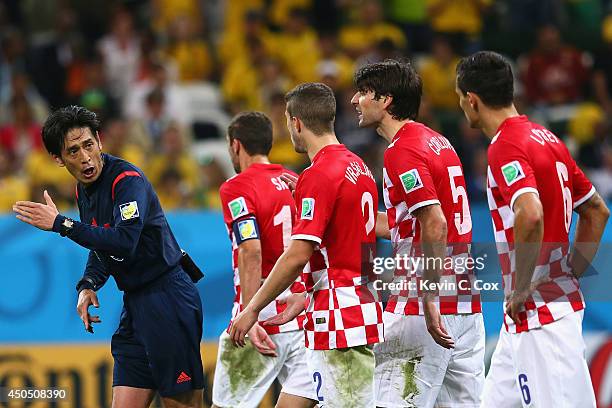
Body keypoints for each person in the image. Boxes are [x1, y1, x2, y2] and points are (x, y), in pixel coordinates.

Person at [12, 106, 204, 408]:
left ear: (99, 141)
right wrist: (88, 283)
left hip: (168, 298)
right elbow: (103, 245)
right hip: (136, 305)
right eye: (73, 151)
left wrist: (62, 225)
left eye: (88, 144)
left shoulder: (127, 180)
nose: (85, 156)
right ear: (58, 160)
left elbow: (125, 240)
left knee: (182, 404)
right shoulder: (84, 190)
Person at [456, 51, 609, 407]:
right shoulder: (547, 138)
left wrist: (523, 286)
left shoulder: (505, 146)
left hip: (540, 315)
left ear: (472, 100)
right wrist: (569, 273)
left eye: (460, 99)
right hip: (528, 317)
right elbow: (597, 211)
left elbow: (530, 214)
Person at [229, 83, 384, 407]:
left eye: (288, 122)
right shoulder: (357, 167)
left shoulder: (320, 173)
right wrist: (308, 294)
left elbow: (298, 255)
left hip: (340, 317)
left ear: (296, 123)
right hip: (353, 306)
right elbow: (357, 231)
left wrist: (252, 308)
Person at [352, 60, 484, 407]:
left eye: (364, 93)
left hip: (422, 302)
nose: (355, 100)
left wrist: (429, 296)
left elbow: (435, 223)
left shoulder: (402, 151)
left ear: (386, 101)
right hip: (464, 300)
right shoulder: (436, 141)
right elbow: (407, 225)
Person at [211, 111, 317, 408]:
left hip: (260, 318)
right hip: (300, 315)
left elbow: (251, 250)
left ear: (235, 145)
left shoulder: (237, 187)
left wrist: (249, 311)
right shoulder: (297, 181)